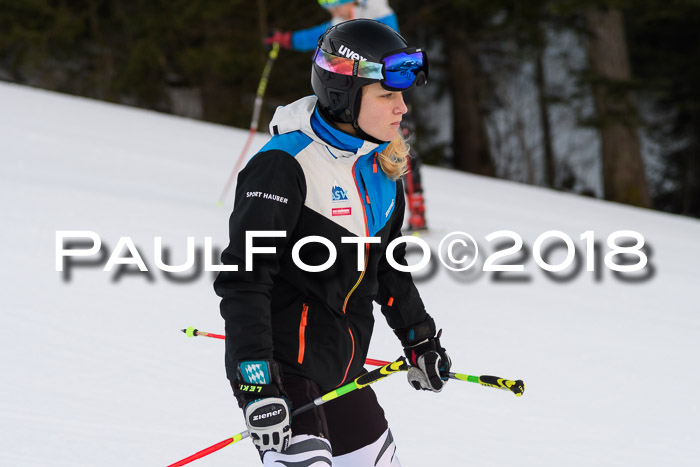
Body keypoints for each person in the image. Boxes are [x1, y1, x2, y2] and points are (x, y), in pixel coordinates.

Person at [214, 19, 451, 466]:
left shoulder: (380, 167)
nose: (402, 109)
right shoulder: (284, 167)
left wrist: (419, 339)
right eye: (387, 95)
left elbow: (388, 268)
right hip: (282, 372)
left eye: (401, 96)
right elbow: (245, 280)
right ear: (344, 95)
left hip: (342, 369)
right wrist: (256, 385)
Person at [265, 0, 429, 231]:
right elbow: (315, 37)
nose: (332, 11)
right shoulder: (339, 21)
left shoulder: (378, 12)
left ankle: (417, 209)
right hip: (363, 95)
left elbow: (387, 44)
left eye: (334, 4)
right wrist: (286, 39)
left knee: (401, 148)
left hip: (386, 87)